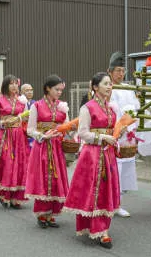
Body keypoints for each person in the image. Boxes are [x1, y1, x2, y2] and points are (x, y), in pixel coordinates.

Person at [63, 72, 120, 249]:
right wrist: (103, 137)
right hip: (92, 155)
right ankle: (93, 227)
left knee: (105, 190)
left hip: (107, 154)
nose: (109, 86)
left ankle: (103, 229)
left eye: (110, 84)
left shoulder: (111, 108)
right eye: (105, 84)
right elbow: (82, 133)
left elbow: (111, 131)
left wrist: (119, 133)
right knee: (93, 191)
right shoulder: (87, 107)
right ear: (95, 87)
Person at [25, 75, 69, 228]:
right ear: (47, 88)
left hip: (57, 146)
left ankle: (52, 213)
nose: (59, 92)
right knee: (44, 179)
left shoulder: (62, 106)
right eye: (56, 89)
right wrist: (42, 136)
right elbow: (30, 129)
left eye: (61, 90)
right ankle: (42, 213)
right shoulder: (36, 106)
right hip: (42, 146)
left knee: (57, 180)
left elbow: (67, 125)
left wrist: (69, 131)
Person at [0, 75, 29, 209]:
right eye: (11, 84)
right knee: (6, 164)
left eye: (16, 83)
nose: (14, 86)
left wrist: (20, 120)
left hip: (19, 136)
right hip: (5, 135)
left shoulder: (23, 101)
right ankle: (4, 194)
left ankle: (17, 197)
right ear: (5, 85)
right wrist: (3, 122)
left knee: (20, 164)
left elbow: (27, 116)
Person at [108, 51, 140, 218]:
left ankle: (118, 202)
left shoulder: (128, 89)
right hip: (112, 134)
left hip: (127, 134)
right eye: (117, 71)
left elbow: (135, 108)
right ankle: (110, 203)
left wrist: (132, 128)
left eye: (123, 71)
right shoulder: (107, 88)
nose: (121, 74)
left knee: (125, 169)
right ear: (110, 72)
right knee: (113, 169)